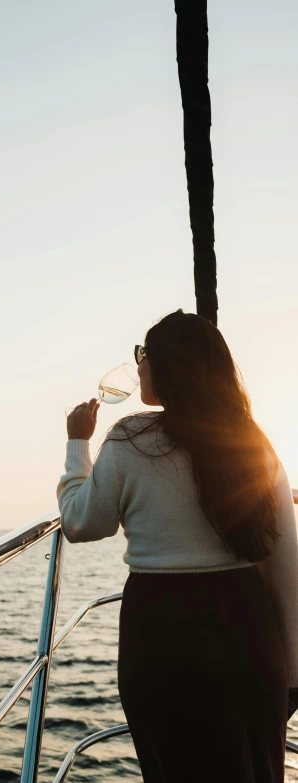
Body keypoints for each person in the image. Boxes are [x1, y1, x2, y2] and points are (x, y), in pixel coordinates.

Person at [57, 309, 298, 783]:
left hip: (162, 633)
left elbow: (81, 522)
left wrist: (75, 446)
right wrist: (292, 672)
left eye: (144, 354)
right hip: (246, 630)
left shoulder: (130, 438)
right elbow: (287, 562)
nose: (140, 364)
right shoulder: (253, 443)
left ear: (168, 365)